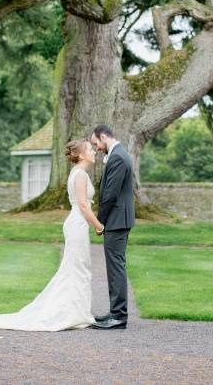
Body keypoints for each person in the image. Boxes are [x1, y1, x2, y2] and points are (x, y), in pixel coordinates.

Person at [0, 138, 103, 331]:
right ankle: (71, 313)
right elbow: (84, 206)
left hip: (76, 224)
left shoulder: (78, 173)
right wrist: (99, 225)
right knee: (78, 268)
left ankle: (77, 312)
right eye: (90, 149)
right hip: (77, 224)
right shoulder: (80, 175)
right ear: (80, 154)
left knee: (77, 267)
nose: (94, 151)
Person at [89, 125, 135, 330]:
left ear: (104, 137)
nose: (97, 148)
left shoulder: (117, 157)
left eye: (96, 143)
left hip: (116, 220)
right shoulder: (118, 153)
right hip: (119, 220)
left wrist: (100, 222)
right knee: (115, 266)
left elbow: (110, 194)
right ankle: (115, 312)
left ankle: (118, 316)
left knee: (115, 268)